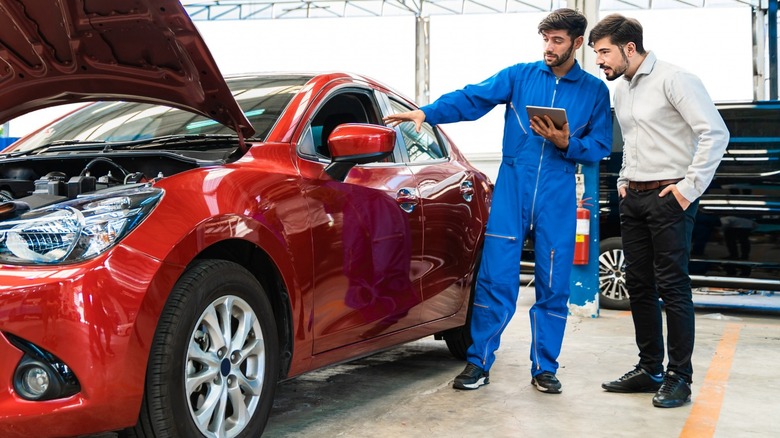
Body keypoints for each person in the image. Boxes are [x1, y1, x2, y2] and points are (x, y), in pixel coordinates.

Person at [384, 8, 612, 394]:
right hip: (512, 187)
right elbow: (473, 98)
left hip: (556, 192)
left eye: (557, 41)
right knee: (495, 278)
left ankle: (544, 368)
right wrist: (428, 111)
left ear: (576, 43)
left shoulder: (594, 91)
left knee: (554, 283)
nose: (549, 48)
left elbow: (600, 146)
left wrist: (567, 143)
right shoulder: (520, 76)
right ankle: (479, 362)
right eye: (546, 40)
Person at [589, 14, 729, 408]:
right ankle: (649, 368)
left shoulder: (675, 79)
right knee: (639, 285)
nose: (599, 61)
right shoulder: (624, 90)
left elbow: (714, 133)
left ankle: (679, 377)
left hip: (669, 197)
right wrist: (622, 179)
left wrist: (688, 189)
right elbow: (633, 140)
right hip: (633, 196)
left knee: (672, 286)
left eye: (604, 52)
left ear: (629, 47)